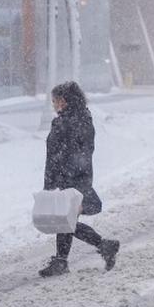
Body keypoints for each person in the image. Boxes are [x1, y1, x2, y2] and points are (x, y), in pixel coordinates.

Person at [39, 81, 120, 277]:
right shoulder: (81, 118)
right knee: (66, 221)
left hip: (71, 179)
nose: (54, 104)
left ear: (65, 100)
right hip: (74, 177)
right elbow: (68, 153)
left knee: (65, 221)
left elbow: (65, 154)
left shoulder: (69, 122)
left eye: (56, 100)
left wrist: (57, 181)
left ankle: (98, 247)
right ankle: (64, 260)